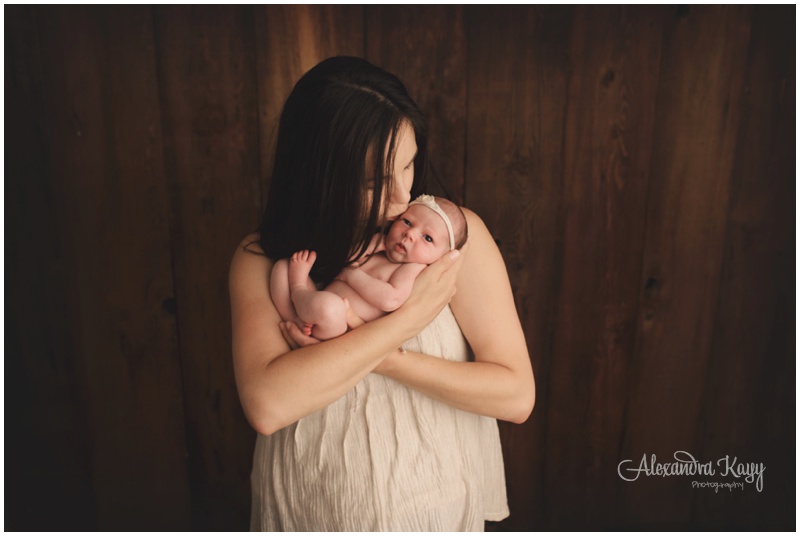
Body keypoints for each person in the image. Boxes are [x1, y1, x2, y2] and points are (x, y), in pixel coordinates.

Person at [229, 56, 535, 531]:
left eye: (408, 165)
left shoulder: (449, 240)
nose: (401, 198)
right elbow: (268, 405)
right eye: (374, 181)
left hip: (435, 506)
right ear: (320, 176)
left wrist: (387, 354)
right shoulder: (266, 258)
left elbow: (515, 394)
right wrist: (402, 325)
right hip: (317, 509)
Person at [270, 195, 468, 341]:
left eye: (427, 238)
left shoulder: (413, 268)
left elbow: (391, 299)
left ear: (440, 257)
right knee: (283, 267)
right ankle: (295, 319)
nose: (410, 234)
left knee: (330, 307)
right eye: (407, 222)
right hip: (317, 304)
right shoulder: (377, 243)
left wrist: (350, 275)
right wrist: (369, 247)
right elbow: (343, 259)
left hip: (338, 327)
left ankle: (298, 292)